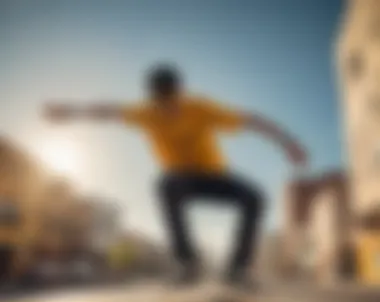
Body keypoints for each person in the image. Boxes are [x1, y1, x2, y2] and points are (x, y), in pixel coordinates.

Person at [44, 63, 308, 287]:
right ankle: (187, 262)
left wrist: (287, 142)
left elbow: (251, 120)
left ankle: (237, 268)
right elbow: (107, 111)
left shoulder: (201, 107)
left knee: (255, 197)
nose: (168, 108)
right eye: (161, 102)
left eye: (172, 100)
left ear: (179, 92)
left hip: (215, 177)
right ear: (153, 98)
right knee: (165, 183)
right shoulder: (145, 112)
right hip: (182, 180)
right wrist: (69, 112)